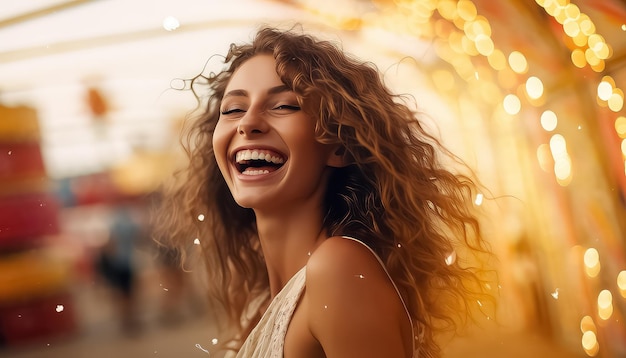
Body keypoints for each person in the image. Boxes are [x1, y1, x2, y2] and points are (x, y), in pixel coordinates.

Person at [154, 25, 494, 358]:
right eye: (233, 110)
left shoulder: (337, 270)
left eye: (285, 105)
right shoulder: (261, 299)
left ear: (339, 146)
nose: (247, 123)